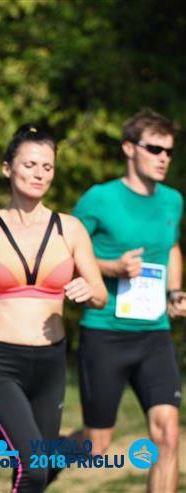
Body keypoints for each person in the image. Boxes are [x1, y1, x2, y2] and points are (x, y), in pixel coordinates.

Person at [0, 124, 107, 492]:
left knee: (40, 468)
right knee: (32, 468)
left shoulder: (71, 229)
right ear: (7, 168)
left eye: (47, 167)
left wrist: (88, 289)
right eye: (30, 165)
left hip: (50, 363)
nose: (39, 174)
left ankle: (68, 451)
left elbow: (100, 294)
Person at [71, 110, 183, 492]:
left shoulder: (172, 200)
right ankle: (34, 466)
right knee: (96, 446)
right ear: (129, 148)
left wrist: (175, 292)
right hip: (105, 332)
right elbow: (64, 251)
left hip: (154, 334)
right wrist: (110, 267)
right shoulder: (99, 198)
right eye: (155, 149)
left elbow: (172, 248)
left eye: (169, 151)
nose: (164, 158)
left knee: (168, 434)